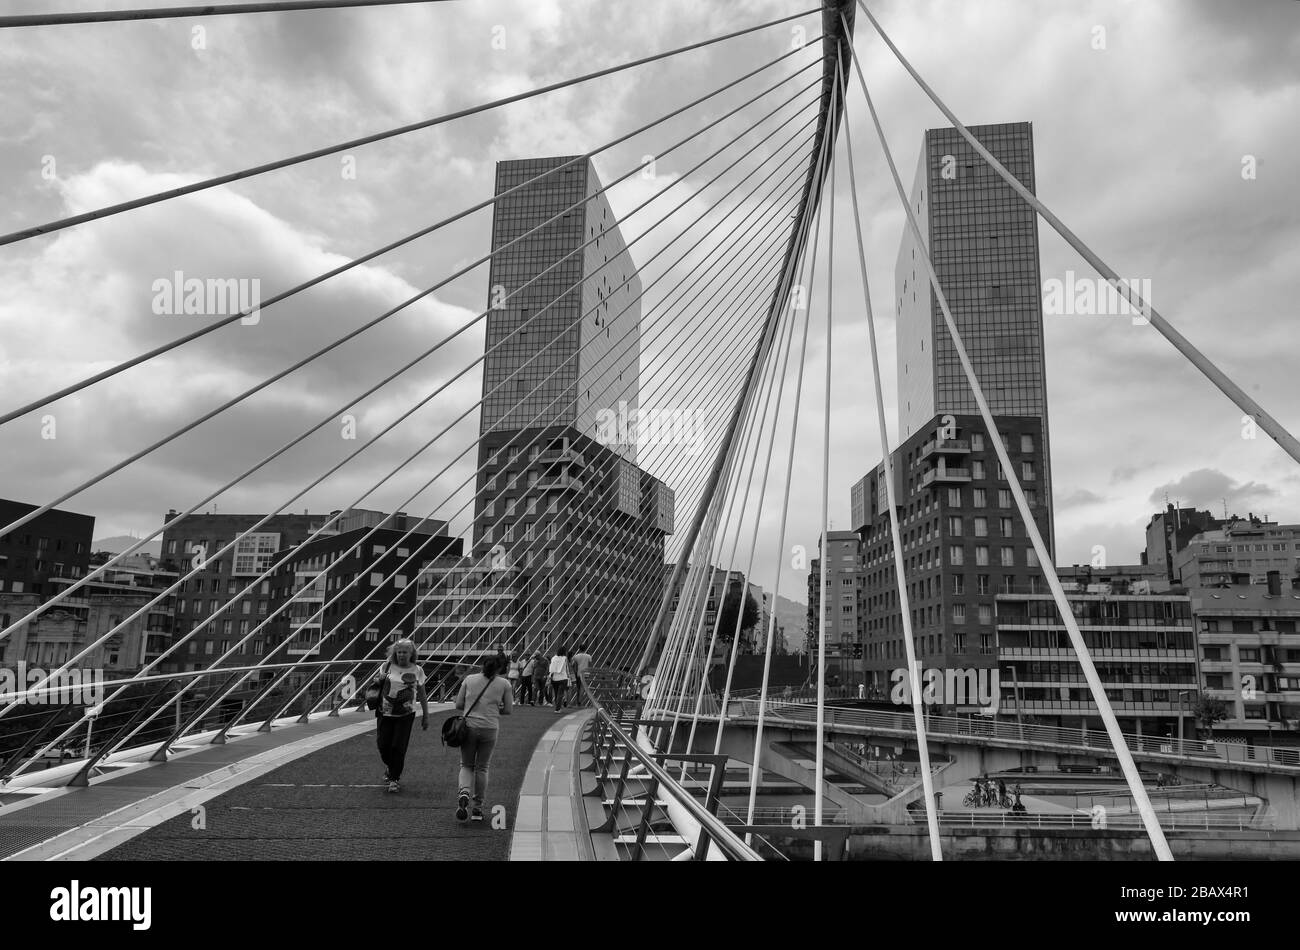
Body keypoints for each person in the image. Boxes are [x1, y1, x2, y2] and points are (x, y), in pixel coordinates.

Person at [453, 654, 514, 822]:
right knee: (482, 767)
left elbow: (458, 705)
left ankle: (464, 791)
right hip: (490, 728)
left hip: (469, 728)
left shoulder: (469, 679)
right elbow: (508, 710)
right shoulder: (504, 684)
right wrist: (494, 709)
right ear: (500, 668)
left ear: (482, 665)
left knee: (466, 765)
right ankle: (477, 809)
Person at [374, 638, 429, 793]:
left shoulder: (417, 670)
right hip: (385, 713)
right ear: (395, 653)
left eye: (405, 652)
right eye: (399, 652)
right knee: (383, 745)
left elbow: (423, 694)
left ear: (411, 653)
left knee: (398, 747)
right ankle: (391, 768)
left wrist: (426, 715)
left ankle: (394, 779)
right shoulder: (387, 666)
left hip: (406, 715)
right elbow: (378, 684)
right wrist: (379, 679)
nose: (402, 655)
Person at [570, 642, 592, 707]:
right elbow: (590, 665)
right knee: (583, 688)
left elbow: (573, 664)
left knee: (578, 687)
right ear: (585, 649)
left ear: (579, 649)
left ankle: (577, 701)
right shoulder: (588, 656)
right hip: (586, 674)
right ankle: (580, 701)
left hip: (579, 673)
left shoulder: (576, 656)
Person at [549, 645, 571, 711]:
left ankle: (558, 707)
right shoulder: (565, 658)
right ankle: (558, 709)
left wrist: (550, 676)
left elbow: (551, 668)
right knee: (560, 694)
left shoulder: (553, 658)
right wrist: (569, 676)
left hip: (554, 678)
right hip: (563, 678)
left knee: (556, 694)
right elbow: (567, 668)